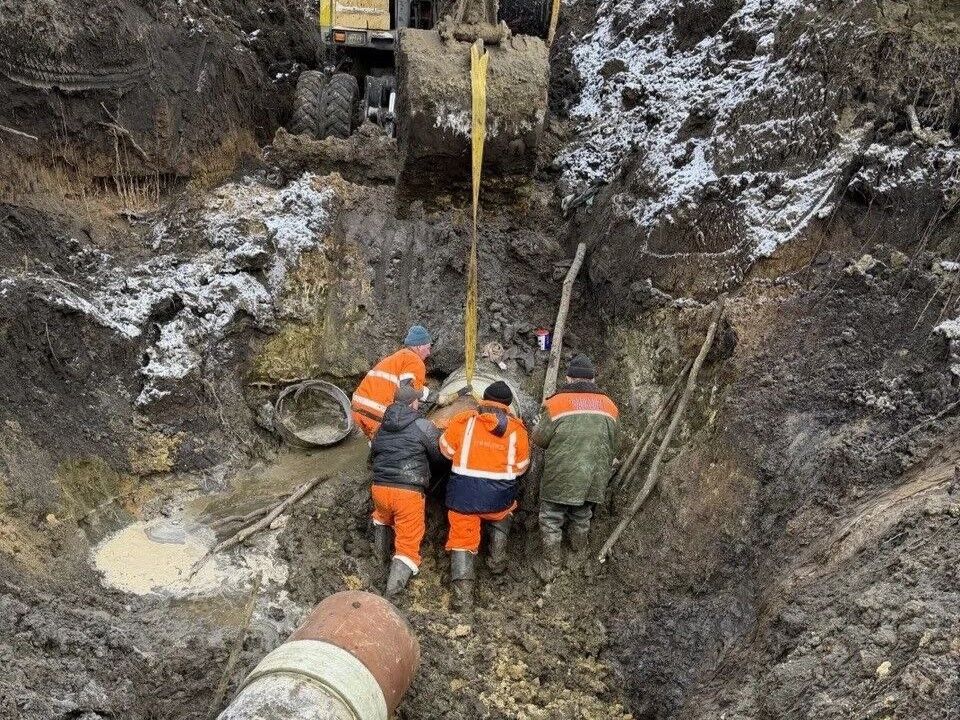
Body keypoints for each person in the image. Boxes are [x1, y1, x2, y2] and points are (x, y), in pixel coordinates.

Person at [439, 381, 529, 610]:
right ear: (508, 406)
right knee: (504, 514)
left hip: (463, 500)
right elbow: (521, 468)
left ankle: (463, 601)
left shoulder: (464, 421)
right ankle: (497, 562)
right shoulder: (517, 430)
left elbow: (446, 451)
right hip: (499, 500)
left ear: (483, 400)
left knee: (462, 540)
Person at [532, 354, 619, 581]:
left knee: (551, 518)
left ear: (569, 378)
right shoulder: (610, 406)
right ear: (593, 379)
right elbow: (615, 443)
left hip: (560, 475)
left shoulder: (556, 403)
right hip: (593, 477)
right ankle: (577, 558)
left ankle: (551, 565)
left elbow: (539, 439)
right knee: (582, 515)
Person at [369, 384, 447, 598]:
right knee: (407, 543)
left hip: (379, 488)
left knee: (383, 519)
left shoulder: (381, 427)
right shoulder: (423, 425)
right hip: (408, 491)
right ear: (414, 403)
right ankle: (391, 595)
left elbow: (373, 455)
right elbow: (439, 457)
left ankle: (379, 563)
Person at [352, 325, 457, 439]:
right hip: (376, 411)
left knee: (378, 444)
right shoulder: (415, 360)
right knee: (397, 443)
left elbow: (403, 388)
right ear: (419, 347)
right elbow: (407, 391)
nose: (428, 353)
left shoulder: (397, 358)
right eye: (428, 348)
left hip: (357, 409)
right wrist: (437, 398)